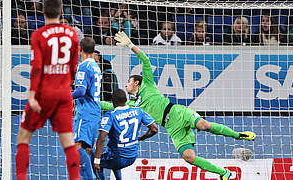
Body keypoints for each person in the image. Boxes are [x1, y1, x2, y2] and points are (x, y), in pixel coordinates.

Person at [101, 31, 257, 180]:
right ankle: (224, 173)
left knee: (204, 125)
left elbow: (146, 61)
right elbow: (109, 106)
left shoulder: (147, 85)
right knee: (188, 156)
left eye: (128, 81)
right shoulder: (131, 104)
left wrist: (130, 45)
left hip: (177, 112)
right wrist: (89, 100)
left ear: (136, 82)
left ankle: (238, 135)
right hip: (170, 126)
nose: (126, 84)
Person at [15, 0, 80, 180]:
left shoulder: (39, 34)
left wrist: (32, 96)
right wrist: (67, 84)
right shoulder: (72, 34)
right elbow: (74, 65)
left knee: (23, 137)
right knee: (68, 143)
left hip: (44, 93)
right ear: (61, 11)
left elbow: (37, 67)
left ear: (43, 11)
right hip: (64, 94)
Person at [93, 89, 158, 180]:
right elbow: (154, 129)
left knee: (93, 155)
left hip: (118, 158)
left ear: (113, 102)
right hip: (132, 156)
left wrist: (97, 160)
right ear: (126, 100)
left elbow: (101, 138)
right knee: (109, 152)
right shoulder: (138, 111)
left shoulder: (111, 115)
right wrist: (141, 138)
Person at [72, 37, 102, 179]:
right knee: (87, 147)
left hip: (86, 111)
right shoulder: (96, 66)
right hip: (95, 111)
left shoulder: (83, 66)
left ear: (79, 49)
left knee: (77, 145)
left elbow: (81, 91)